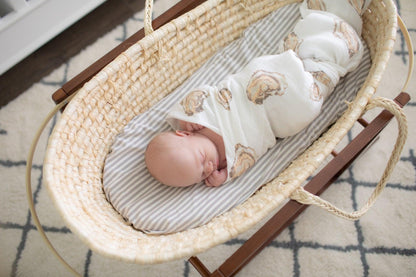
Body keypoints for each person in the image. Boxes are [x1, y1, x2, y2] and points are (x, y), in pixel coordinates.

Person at [145, 0, 370, 188]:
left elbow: (204, 94)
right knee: (310, 84)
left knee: (298, 58)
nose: (209, 168)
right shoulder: (226, 162)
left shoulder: (198, 119)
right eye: (202, 176)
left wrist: (188, 116)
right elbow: (247, 159)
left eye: (202, 160)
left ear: (184, 135)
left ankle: (329, 40)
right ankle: (326, 57)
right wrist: (224, 176)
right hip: (278, 120)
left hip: (259, 86)